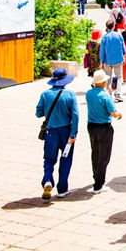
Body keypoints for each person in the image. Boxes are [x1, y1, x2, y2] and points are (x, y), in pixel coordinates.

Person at [36, 68, 79, 200]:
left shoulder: (45, 94)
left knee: (49, 159)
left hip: (51, 132)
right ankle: (62, 189)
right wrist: (73, 133)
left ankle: (48, 180)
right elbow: (75, 115)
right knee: (66, 159)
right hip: (66, 131)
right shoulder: (70, 94)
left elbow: (38, 113)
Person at [85, 69, 122, 194]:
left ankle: (96, 176)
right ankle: (99, 183)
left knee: (95, 152)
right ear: (103, 82)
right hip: (104, 127)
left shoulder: (89, 93)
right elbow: (114, 113)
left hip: (92, 126)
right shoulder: (105, 96)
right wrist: (119, 114)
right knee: (104, 156)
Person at [99, 20, 126, 102]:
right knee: (118, 77)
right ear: (114, 26)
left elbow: (102, 50)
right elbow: (123, 47)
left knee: (108, 77)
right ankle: (117, 94)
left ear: (106, 27)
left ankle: (108, 94)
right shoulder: (119, 35)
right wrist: (124, 56)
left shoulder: (104, 37)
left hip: (108, 60)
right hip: (118, 59)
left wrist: (101, 61)